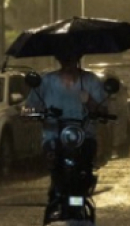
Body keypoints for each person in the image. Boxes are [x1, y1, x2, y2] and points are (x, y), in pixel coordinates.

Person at [25, 51, 107, 198]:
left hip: (84, 135)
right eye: (65, 57)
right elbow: (31, 106)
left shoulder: (90, 80)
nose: (68, 61)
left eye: (71, 56)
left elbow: (103, 109)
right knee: (55, 165)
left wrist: (89, 100)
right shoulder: (47, 81)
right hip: (54, 135)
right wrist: (36, 114)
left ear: (78, 58)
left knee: (86, 164)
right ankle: (55, 192)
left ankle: (85, 186)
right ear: (58, 59)